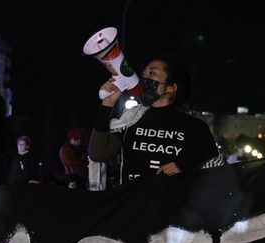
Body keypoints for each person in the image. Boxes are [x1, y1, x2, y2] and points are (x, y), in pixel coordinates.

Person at [88, 54, 219, 186]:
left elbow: (217, 174)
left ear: (171, 88)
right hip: (133, 199)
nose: (144, 78)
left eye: (152, 73)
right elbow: (97, 154)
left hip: (172, 199)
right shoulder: (130, 120)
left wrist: (185, 169)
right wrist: (107, 104)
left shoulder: (196, 128)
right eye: (144, 73)